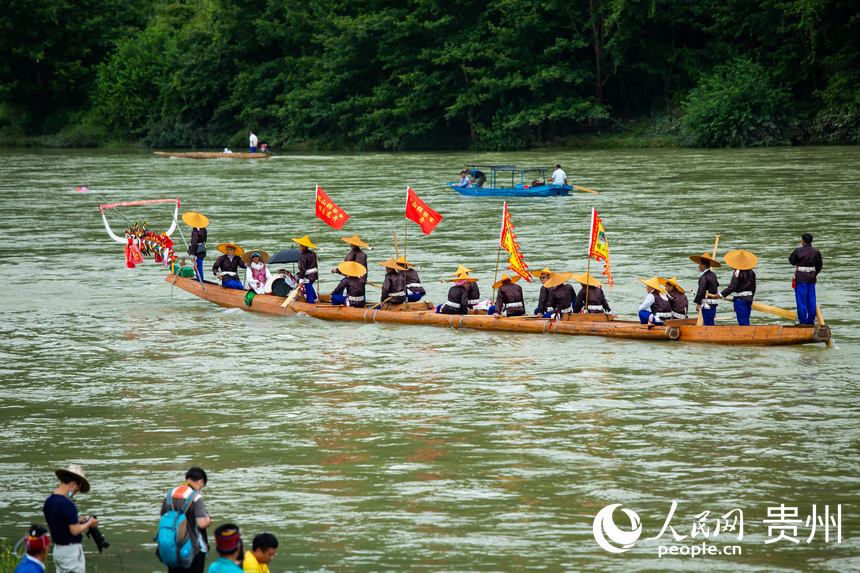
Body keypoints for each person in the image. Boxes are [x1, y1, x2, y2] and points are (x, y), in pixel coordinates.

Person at [43, 464, 97, 573]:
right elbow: (75, 531)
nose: (76, 492)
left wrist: (77, 521)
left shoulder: (49, 502)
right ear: (73, 484)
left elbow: (59, 523)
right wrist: (90, 522)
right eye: (78, 489)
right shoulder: (68, 505)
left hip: (58, 551)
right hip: (71, 553)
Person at [161, 467, 212, 573]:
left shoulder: (169, 494)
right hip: (193, 549)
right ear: (201, 481)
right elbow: (202, 523)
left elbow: (163, 516)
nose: (201, 489)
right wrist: (208, 520)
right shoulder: (196, 497)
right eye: (202, 486)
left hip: (172, 547)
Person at [789, 233, 823, 325]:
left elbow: (792, 261)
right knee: (811, 299)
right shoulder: (816, 251)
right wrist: (814, 274)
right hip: (811, 278)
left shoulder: (798, 250)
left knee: (801, 300)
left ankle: (803, 321)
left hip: (801, 278)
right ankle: (811, 320)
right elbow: (819, 266)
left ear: (802, 241)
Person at [720, 249, 758, 326]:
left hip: (740, 300)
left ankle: (746, 332)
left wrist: (721, 294)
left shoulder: (737, 273)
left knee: (742, 322)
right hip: (749, 299)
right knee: (746, 319)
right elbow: (753, 287)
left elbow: (732, 287)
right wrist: (751, 298)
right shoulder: (751, 272)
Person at [689, 252, 721, 326]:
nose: (698, 266)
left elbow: (701, 291)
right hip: (713, 302)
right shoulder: (713, 274)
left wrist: (698, 303)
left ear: (703, 266)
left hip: (707, 303)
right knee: (711, 321)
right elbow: (717, 284)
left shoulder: (704, 277)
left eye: (699, 264)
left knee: (708, 323)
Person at [183, 212, 209, 281]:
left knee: (198, 266)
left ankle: (200, 280)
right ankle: (200, 279)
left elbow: (194, 243)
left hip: (197, 251)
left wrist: (192, 254)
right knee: (199, 265)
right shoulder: (204, 229)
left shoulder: (195, 231)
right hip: (202, 250)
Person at [292, 235, 319, 303]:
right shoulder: (313, 253)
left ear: (304, 246)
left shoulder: (303, 256)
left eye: (300, 245)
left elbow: (303, 270)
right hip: (314, 274)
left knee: (308, 287)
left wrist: (300, 280)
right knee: (310, 286)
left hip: (307, 276)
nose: (300, 247)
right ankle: (315, 297)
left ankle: (311, 301)